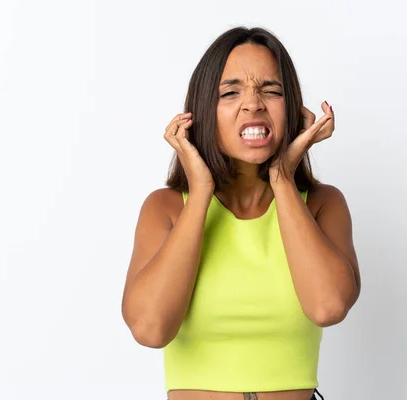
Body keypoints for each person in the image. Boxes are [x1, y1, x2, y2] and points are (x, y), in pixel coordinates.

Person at [121, 26, 361, 400]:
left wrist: (283, 175)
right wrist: (200, 191)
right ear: (201, 109)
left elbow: (327, 306)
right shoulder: (166, 208)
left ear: (294, 109)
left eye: (271, 90)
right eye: (230, 92)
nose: (253, 104)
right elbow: (150, 330)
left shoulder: (321, 204)